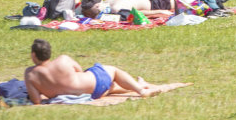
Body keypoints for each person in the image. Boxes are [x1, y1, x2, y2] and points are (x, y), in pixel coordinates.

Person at [24, 39, 158, 103]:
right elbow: (79, 70)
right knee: (114, 71)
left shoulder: (30, 74)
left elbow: (36, 101)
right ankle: (141, 90)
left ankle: (139, 86)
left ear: (34, 55)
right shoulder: (63, 60)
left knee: (110, 86)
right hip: (94, 85)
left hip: (91, 95)